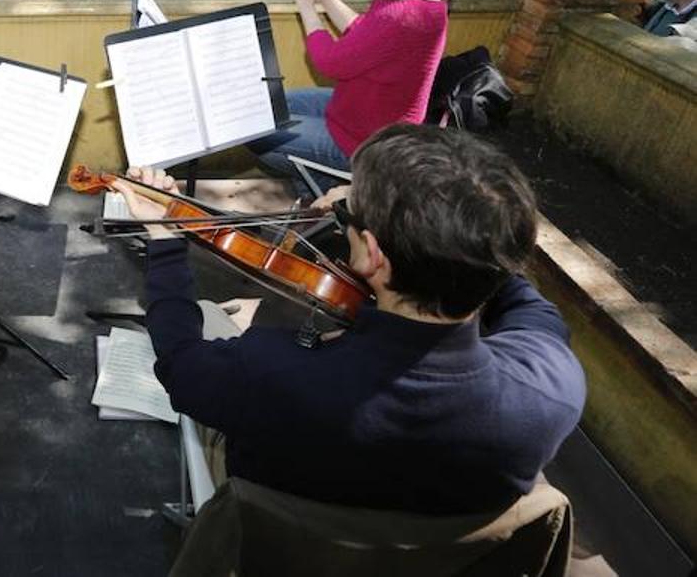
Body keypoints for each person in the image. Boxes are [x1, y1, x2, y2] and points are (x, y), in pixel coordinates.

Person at [117, 123, 585, 519]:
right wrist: (470, 240)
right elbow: (533, 310)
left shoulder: (269, 373)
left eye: (347, 213)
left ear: (373, 255)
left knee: (209, 320)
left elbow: (180, 362)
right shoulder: (550, 388)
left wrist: (165, 238)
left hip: (283, 552)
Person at [250, 0, 456, 183]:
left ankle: (328, 189)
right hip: (355, 113)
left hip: (368, 144)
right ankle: (317, 187)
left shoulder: (406, 13)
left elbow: (330, 62)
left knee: (255, 131)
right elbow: (364, 31)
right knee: (265, 106)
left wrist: (305, 4)